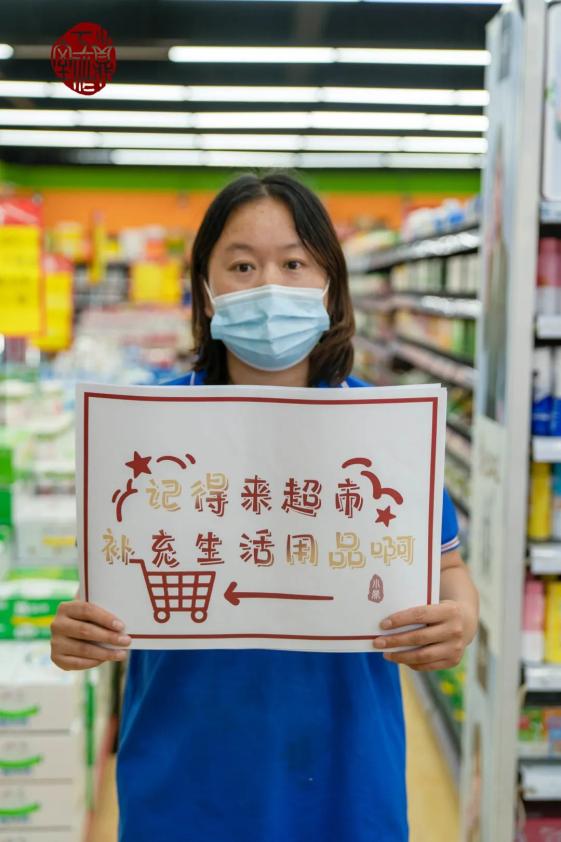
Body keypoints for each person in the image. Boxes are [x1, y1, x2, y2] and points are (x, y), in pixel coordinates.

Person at [51, 171, 479, 842]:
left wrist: (459, 620)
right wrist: (80, 631)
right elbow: (109, 581)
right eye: (243, 265)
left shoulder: (385, 431)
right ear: (205, 287)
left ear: (331, 284)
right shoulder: (144, 429)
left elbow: (447, 572)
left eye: (293, 264)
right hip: (183, 779)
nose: (269, 287)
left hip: (343, 778)